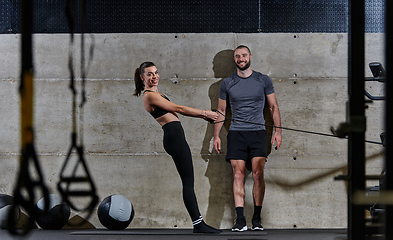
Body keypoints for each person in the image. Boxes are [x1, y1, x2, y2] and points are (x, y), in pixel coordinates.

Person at [134, 61, 221, 234]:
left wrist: (204, 117)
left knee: (189, 181)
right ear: (142, 77)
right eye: (150, 74)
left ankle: (199, 223)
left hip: (175, 137)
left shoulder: (156, 94)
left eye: (156, 72)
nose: (154, 76)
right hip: (174, 138)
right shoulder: (149, 95)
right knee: (188, 182)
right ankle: (198, 224)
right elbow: (179, 108)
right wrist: (205, 113)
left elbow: (175, 110)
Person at [213, 45, 282, 232]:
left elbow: (273, 107)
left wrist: (278, 132)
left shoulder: (263, 80)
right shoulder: (227, 83)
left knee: (259, 174)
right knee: (238, 175)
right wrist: (216, 135)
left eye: (244, 55)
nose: (241, 59)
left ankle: (257, 219)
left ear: (250, 56)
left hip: (259, 133)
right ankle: (240, 220)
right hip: (236, 133)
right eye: (237, 56)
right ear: (234, 59)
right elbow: (221, 111)